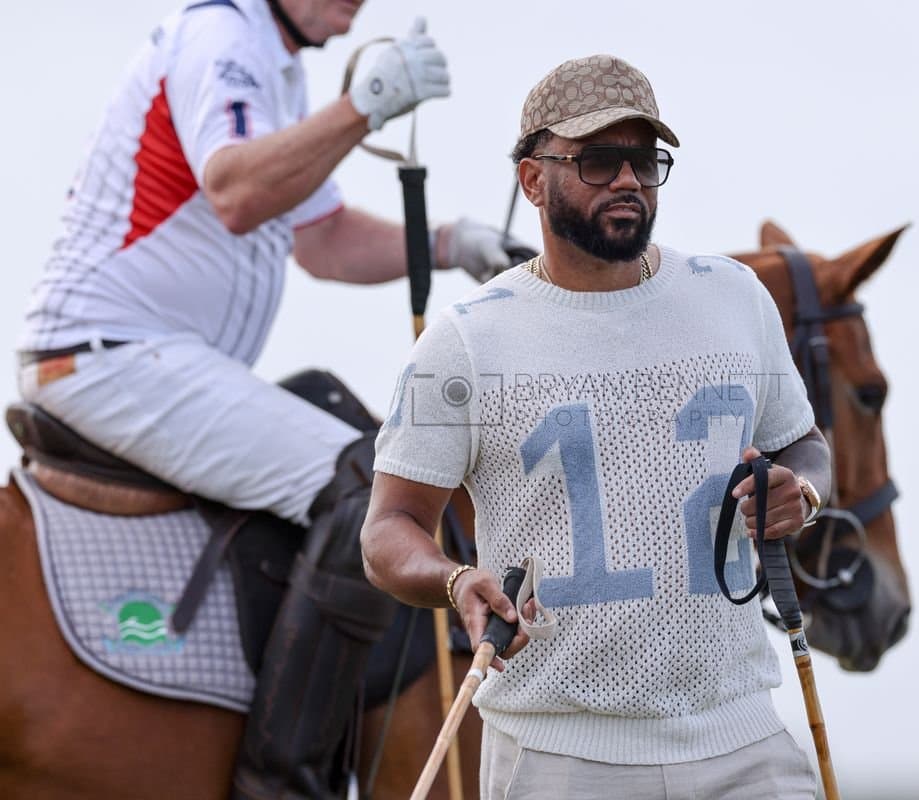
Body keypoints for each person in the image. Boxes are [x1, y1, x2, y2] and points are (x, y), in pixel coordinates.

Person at [14, 1, 524, 797]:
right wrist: (361, 110)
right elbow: (236, 190)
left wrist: (450, 241)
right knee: (364, 492)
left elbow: (320, 241)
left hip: (154, 359)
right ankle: (281, 783)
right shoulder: (223, 36)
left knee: (347, 426)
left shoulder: (273, 71)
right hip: (111, 354)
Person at [361, 54, 833, 799]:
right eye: (597, 160)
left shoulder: (736, 298)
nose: (627, 181)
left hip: (743, 736)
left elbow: (803, 441)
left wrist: (802, 489)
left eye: (644, 161)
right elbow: (388, 529)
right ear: (532, 178)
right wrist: (454, 580)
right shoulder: (465, 339)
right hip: (558, 754)